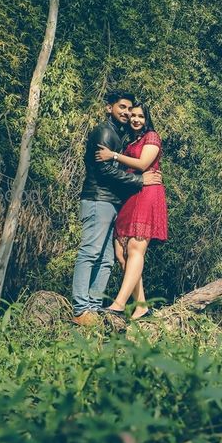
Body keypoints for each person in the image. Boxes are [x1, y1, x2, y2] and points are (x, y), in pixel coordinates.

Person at [71, 91, 162, 326]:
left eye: (131, 111)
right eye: (122, 108)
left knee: (107, 259)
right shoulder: (104, 132)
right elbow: (103, 170)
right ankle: (81, 307)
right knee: (91, 252)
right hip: (98, 199)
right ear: (108, 107)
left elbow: (133, 164)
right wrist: (139, 181)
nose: (128, 114)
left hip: (116, 202)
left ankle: (94, 305)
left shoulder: (126, 136)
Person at [95, 100, 168, 319]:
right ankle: (142, 305)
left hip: (147, 194)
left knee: (136, 247)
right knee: (121, 251)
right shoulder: (131, 140)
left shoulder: (151, 137)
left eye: (141, 116)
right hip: (131, 194)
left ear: (147, 119)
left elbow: (143, 164)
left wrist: (113, 156)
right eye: (133, 115)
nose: (136, 119)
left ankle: (118, 304)